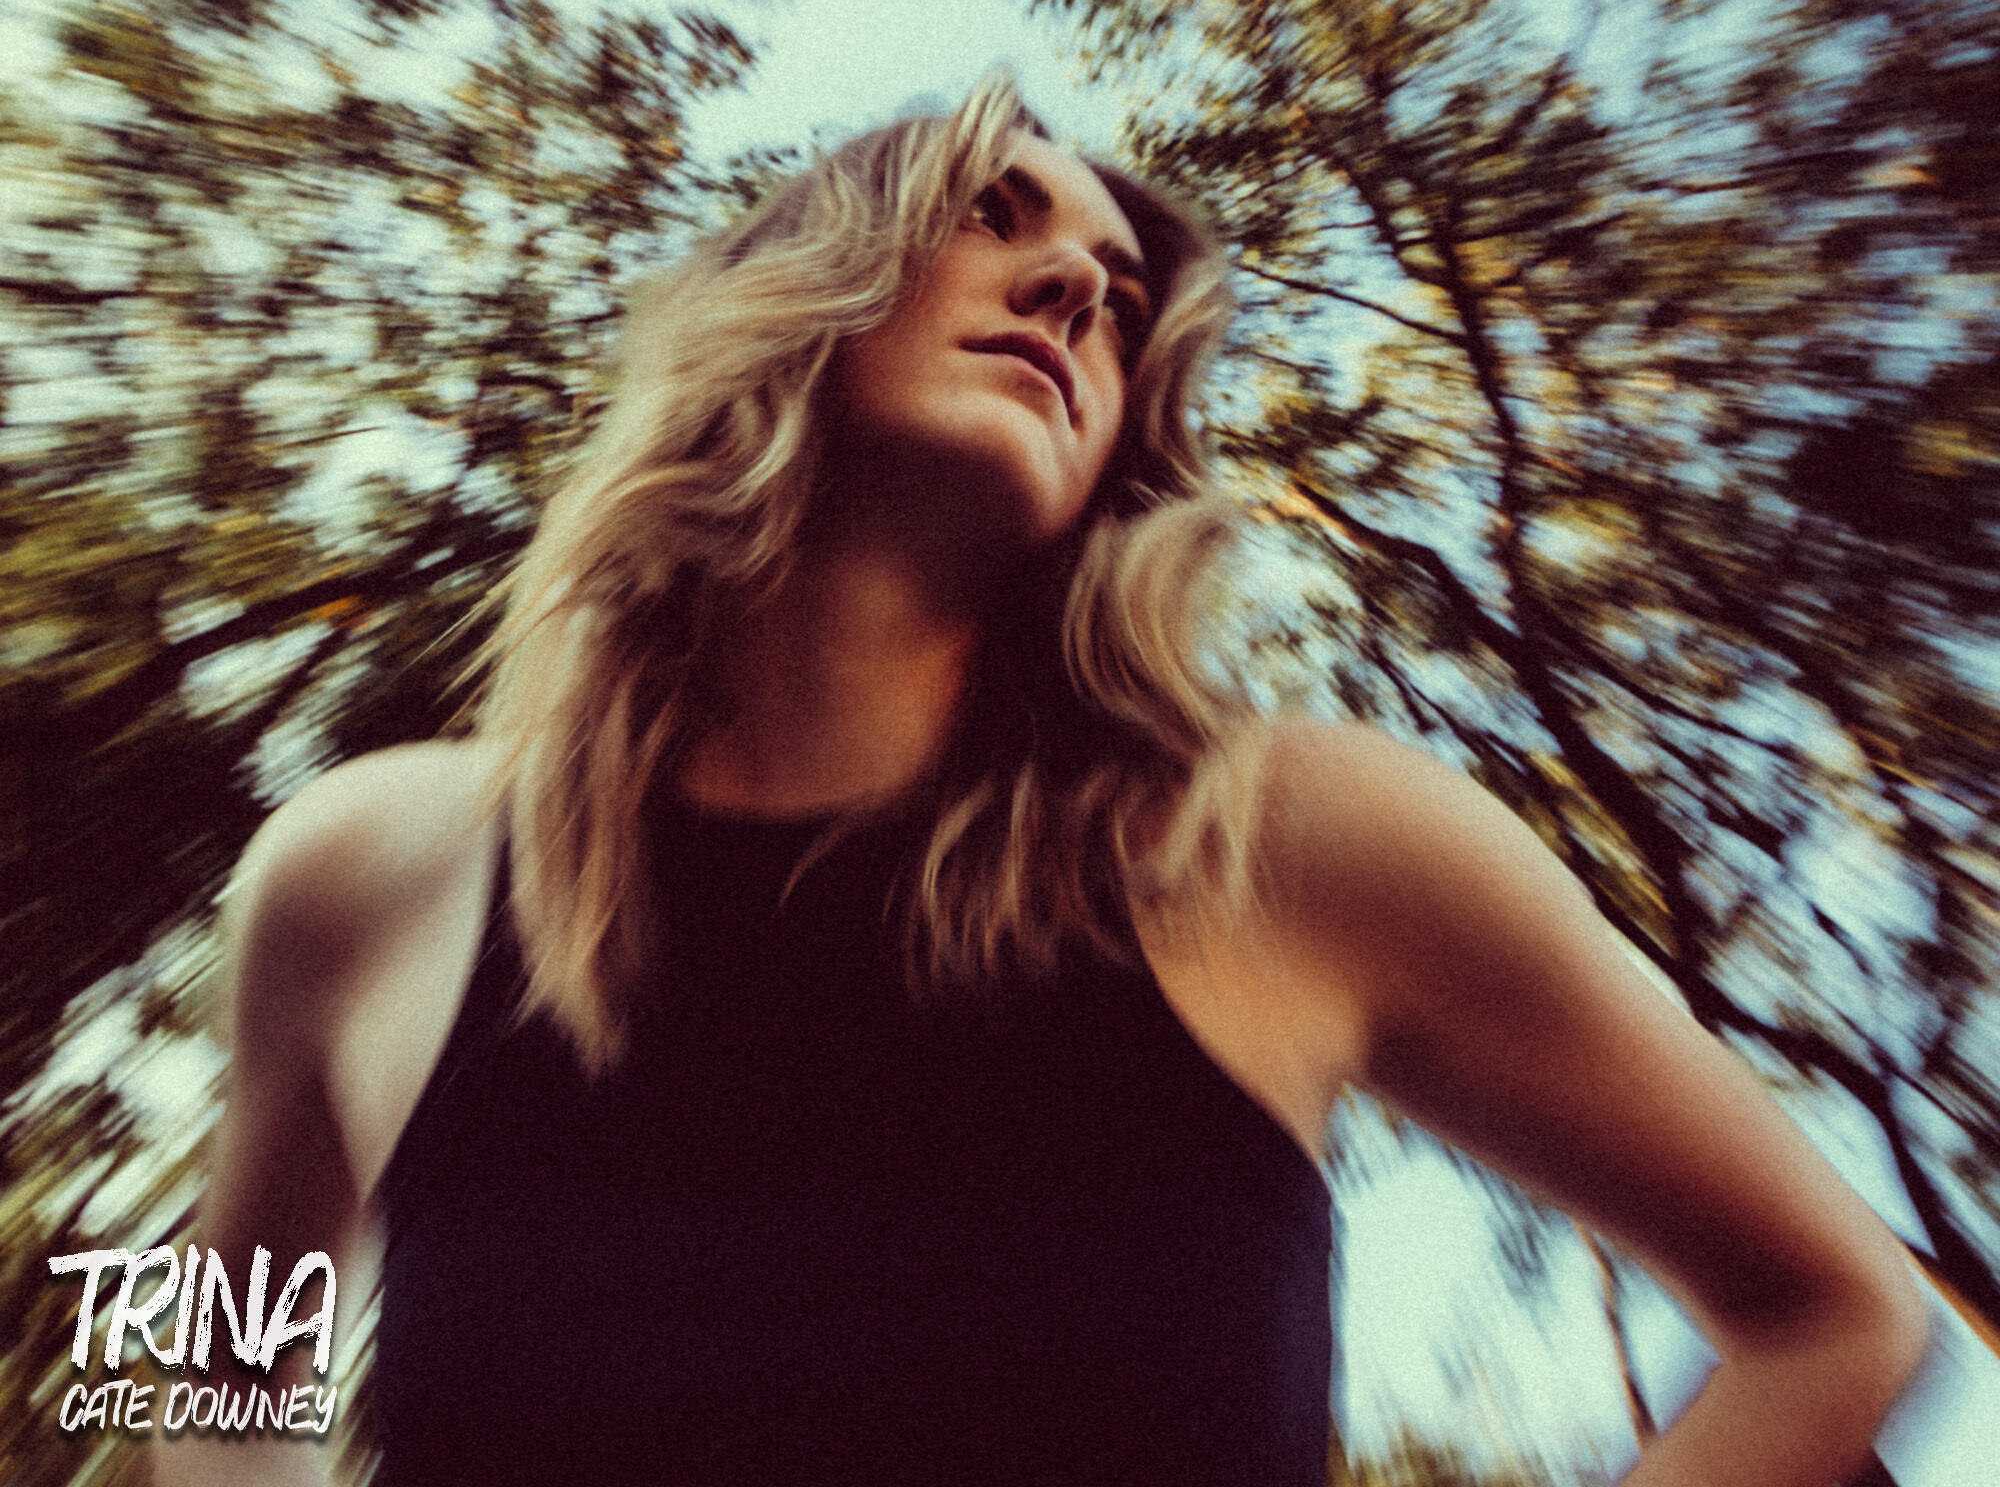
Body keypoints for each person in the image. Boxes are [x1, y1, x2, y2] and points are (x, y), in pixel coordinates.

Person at [162, 76, 1926, 1486]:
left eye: (1121, 297)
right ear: (790, 292)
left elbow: (1838, 1310)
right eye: (994, 214)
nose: (1079, 286)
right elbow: (200, 1390)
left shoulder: (1292, 841)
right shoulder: (359, 870)